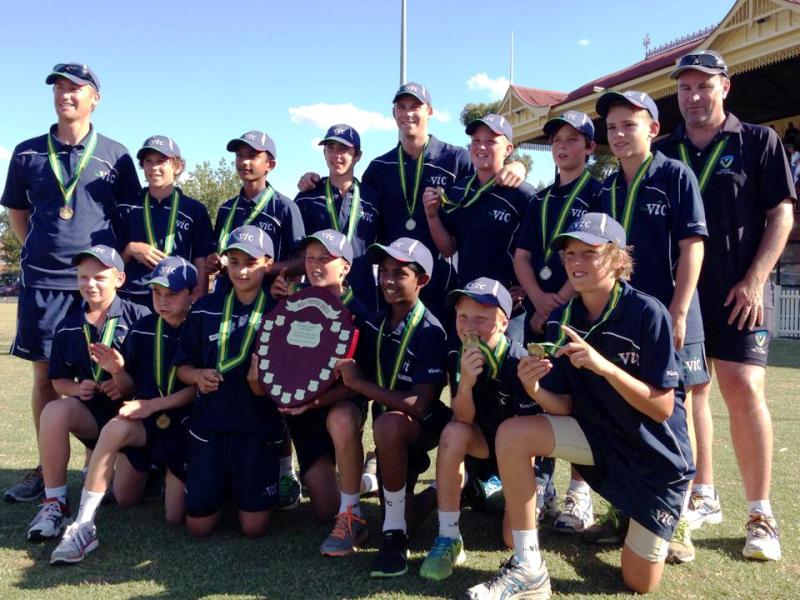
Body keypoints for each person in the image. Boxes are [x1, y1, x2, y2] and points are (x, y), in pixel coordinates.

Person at [466, 213, 694, 598]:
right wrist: (535, 388)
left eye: (589, 253)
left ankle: (641, 513)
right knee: (513, 434)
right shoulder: (562, 318)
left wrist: (605, 368)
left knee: (639, 582)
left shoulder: (647, 312)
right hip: (597, 437)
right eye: (569, 254)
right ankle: (528, 567)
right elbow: (564, 405)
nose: (575, 262)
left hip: (653, 457)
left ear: (617, 258)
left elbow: (662, 409)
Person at [654, 49, 795, 561]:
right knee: (690, 393)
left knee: (743, 388)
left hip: (740, 291)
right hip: (681, 297)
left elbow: (781, 214)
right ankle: (703, 494)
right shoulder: (664, 150)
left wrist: (756, 280)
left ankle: (761, 515)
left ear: (724, 87)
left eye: (703, 86)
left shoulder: (758, 140)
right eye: (685, 88)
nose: (693, 97)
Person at [2, 63, 140, 503]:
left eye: (75, 88)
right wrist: (40, 249)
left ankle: (101, 460)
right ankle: (46, 470)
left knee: (111, 369)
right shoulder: (27, 152)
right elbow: (18, 214)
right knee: (47, 375)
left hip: (98, 283)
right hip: (45, 282)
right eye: (58, 87)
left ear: (94, 97)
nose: (65, 94)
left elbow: (129, 217)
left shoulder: (116, 155)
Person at [298, 83, 525, 324]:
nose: (407, 113)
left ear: (430, 111)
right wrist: (315, 182)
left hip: (439, 282)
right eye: (401, 107)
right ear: (394, 113)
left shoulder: (456, 159)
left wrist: (516, 165)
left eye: (415, 106)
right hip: (391, 284)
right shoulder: (379, 167)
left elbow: (486, 182)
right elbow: (351, 201)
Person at [594, 89, 707, 561]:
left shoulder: (675, 175)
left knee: (676, 414)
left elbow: (692, 246)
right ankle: (626, 506)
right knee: (625, 409)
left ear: (654, 129)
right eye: (612, 127)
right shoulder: (605, 186)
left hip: (673, 312)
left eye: (629, 125)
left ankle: (679, 516)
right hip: (625, 319)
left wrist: (678, 311)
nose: (619, 134)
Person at [49, 256, 198, 564]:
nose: (162, 301)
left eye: (172, 294)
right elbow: (129, 385)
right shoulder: (142, 328)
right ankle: (83, 525)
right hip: (147, 421)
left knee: (174, 517)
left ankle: (170, 474)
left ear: (192, 294)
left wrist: (152, 404)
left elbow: (197, 388)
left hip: (185, 425)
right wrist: (116, 370)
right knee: (125, 493)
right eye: (157, 293)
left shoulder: (200, 327)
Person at [334, 238, 451, 577]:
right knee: (407, 514)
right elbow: (352, 376)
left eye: (399, 273)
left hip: (422, 426)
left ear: (422, 280)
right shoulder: (374, 324)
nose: (387, 280)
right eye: (383, 271)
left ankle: (394, 535)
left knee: (388, 425)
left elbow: (420, 404)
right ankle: (437, 491)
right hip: (389, 431)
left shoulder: (431, 331)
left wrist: (360, 384)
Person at [513, 110, 602, 536]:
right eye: (556, 141)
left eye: (572, 139)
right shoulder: (540, 200)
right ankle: (543, 483)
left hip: (581, 310)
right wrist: (538, 299)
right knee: (542, 392)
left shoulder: (600, 193)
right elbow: (522, 256)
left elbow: (597, 255)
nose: (562, 146)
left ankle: (580, 493)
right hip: (541, 313)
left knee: (582, 396)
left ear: (590, 147)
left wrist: (559, 299)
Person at [418, 277, 542, 581]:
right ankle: (449, 537)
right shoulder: (456, 351)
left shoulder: (519, 361)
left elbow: (530, 443)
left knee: (511, 539)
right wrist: (466, 383)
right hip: (480, 442)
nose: (469, 326)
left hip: (517, 454)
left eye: (481, 318)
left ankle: (517, 494)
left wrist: (519, 485)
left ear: (503, 323)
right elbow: (462, 419)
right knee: (452, 433)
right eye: (463, 316)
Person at [25, 246, 149, 542]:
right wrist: (77, 388)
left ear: (119, 279)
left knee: (124, 498)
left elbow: (153, 379)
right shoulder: (69, 324)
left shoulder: (141, 318)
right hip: (93, 415)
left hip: (133, 419)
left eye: (99, 277)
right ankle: (55, 503)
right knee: (54, 410)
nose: (90, 284)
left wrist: (121, 378)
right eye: (83, 277)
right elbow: (59, 381)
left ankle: (150, 468)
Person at [262, 229, 371, 556]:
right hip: (304, 414)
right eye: (310, 258)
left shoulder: (361, 313)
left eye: (325, 258)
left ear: (345, 267)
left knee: (341, 419)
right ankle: (364, 480)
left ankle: (352, 515)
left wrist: (315, 402)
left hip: (337, 404)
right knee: (324, 509)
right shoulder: (293, 302)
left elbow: (357, 383)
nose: (315, 265)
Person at [175, 226, 285, 538]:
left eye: (251, 263)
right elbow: (182, 366)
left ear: (268, 263)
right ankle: (220, 487)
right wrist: (198, 376)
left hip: (256, 427)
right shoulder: (205, 307)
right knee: (198, 527)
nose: (241, 270)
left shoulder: (280, 311)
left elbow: (289, 380)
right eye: (234, 262)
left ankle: (243, 486)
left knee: (254, 529)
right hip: (209, 425)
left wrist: (262, 385)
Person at [424, 113, 535, 340]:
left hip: (508, 306)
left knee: (504, 362)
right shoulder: (459, 191)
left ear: (508, 149)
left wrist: (527, 288)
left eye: (491, 141)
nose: (481, 147)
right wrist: (432, 216)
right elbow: (448, 248)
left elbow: (536, 248)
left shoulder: (523, 194)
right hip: (469, 301)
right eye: (476, 141)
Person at [118, 136, 213, 308]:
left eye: (161, 161)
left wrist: (200, 302)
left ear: (177, 166)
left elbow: (201, 261)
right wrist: (130, 249)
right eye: (148, 161)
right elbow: (112, 262)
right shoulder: (126, 207)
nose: (154, 167)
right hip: (131, 298)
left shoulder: (194, 210)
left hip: (175, 299)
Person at [294, 125, 379, 309]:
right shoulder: (307, 197)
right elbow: (296, 251)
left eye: (344, 149)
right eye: (330, 148)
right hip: (316, 298)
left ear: (358, 156)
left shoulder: (372, 198)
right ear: (324, 153)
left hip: (362, 296)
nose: (336, 155)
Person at [207, 131, 305, 285]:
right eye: (239, 155)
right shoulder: (226, 209)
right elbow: (216, 253)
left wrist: (262, 268)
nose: (244, 162)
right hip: (227, 295)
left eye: (252, 156)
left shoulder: (285, 208)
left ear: (270, 165)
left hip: (267, 296)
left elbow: (301, 262)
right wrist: (215, 261)